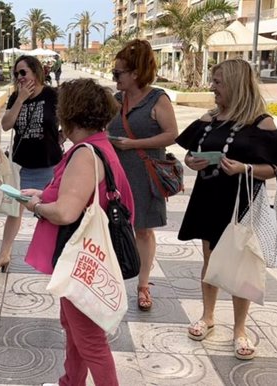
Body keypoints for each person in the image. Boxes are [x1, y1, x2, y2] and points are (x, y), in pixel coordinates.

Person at [176, 59, 277, 360]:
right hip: (209, 196)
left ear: (234, 84)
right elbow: (191, 152)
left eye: (218, 82)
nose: (212, 87)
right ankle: (208, 317)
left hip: (242, 202)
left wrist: (245, 168)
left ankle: (240, 329)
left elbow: (276, 168)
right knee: (210, 261)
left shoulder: (262, 122)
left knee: (241, 266)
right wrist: (191, 162)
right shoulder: (211, 117)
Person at [22, 78, 134, 386]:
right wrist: (44, 194)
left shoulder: (85, 153)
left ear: (70, 112)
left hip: (82, 260)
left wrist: (36, 207)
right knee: (75, 329)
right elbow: (80, 195)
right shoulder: (99, 146)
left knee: (90, 340)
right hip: (85, 257)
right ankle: (71, 381)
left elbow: (66, 213)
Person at [107, 39, 178, 312]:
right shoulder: (116, 100)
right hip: (116, 173)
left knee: (144, 230)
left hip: (144, 172)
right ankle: (114, 278)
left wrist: (133, 144)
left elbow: (172, 134)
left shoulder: (157, 98)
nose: (115, 79)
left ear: (135, 73)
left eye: (118, 74)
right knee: (114, 226)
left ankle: (143, 285)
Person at [0, 55, 62, 275]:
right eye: (16, 74)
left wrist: (62, 136)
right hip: (21, 166)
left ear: (36, 72)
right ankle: (4, 255)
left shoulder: (52, 95)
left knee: (54, 213)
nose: (19, 77)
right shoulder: (16, 98)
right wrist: (21, 99)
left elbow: (70, 119)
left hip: (49, 165)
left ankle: (58, 258)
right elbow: (5, 125)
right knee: (14, 211)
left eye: (23, 72)